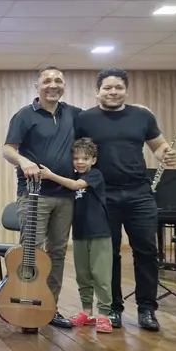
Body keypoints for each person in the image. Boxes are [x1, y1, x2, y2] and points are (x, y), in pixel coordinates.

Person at [75, 68, 176, 332]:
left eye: (118, 87)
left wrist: (166, 154)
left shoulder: (142, 116)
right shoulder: (85, 118)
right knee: (108, 254)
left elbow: (158, 146)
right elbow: (76, 153)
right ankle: (113, 309)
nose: (113, 92)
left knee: (146, 251)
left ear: (126, 90)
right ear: (97, 91)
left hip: (139, 194)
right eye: (107, 88)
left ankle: (147, 309)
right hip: (102, 195)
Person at [2, 66, 78, 329]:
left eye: (58, 81)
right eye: (47, 81)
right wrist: (24, 161)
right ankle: (25, 307)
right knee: (31, 253)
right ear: (38, 87)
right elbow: (8, 150)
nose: (53, 85)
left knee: (57, 253)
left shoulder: (74, 114)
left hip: (65, 196)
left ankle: (48, 308)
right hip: (34, 195)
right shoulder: (25, 115)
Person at [39, 138, 112, 333]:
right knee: (83, 276)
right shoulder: (72, 175)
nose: (80, 162)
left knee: (101, 275)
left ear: (93, 160)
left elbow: (75, 186)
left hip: (99, 233)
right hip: (79, 234)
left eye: (85, 158)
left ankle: (104, 314)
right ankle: (87, 312)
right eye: (76, 158)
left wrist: (49, 175)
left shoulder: (95, 175)